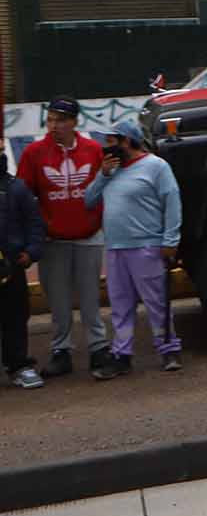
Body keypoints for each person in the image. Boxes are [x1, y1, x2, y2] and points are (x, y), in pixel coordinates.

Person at [16, 96, 111, 376]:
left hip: (89, 237)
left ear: (74, 122)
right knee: (58, 301)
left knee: (91, 298)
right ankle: (61, 350)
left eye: (60, 120)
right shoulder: (34, 153)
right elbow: (23, 196)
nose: (53, 126)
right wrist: (33, 236)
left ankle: (98, 347)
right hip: (53, 240)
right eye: (50, 120)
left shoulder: (93, 150)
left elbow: (105, 186)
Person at [83, 120, 183, 378]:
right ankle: (122, 355)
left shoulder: (156, 167)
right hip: (116, 248)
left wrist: (170, 240)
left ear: (126, 141)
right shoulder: (110, 170)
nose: (107, 146)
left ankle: (169, 349)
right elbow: (89, 200)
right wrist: (103, 175)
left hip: (146, 246)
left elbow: (172, 202)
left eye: (112, 141)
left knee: (157, 302)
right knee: (120, 305)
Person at [1, 151, 46, 389]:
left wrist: (31, 252)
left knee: (16, 317)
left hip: (12, 266)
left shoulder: (17, 188)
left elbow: (35, 223)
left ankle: (19, 366)